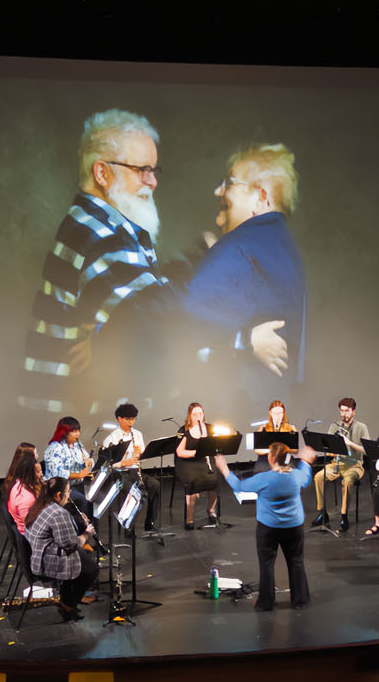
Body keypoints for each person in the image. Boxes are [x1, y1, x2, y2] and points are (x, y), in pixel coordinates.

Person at [20, 110, 289, 417]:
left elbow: (151, 297)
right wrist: (245, 341)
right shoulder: (99, 235)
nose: (153, 181)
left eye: (154, 169)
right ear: (102, 173)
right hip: (70, 427)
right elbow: (156, 327)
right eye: (141, 170)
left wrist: (200, 258)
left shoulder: (108, 226)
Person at [176, 144, 305, 407]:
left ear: (260, 196)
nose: (218, 191)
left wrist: (244, 340)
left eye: (229, 182)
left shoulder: (240, 246)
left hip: (227, 405)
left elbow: (179, 324)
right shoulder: (284, 248)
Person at [215, 438, 317, 611]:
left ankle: (266, 602)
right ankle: (300, 600)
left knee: (267, 564)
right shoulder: (296, 476)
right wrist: (306, 461)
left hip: (268, 528)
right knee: (296, 561)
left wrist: (224, 468)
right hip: (294, 527)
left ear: (271, 459)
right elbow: (306, 476)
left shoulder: (264, 479)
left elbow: (239, 485)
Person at [23, 476, 99, 620]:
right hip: (48, 561)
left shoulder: (40, 505)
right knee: (91, 570)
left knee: (84, 559)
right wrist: (87, 535)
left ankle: (67, 599)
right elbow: (71, 544)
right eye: (68, 492)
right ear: (58, 495)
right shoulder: (58, 513)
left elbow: (61, 536)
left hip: (39, 554)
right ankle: (68, 605)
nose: (69, 495)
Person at [99, 401, 161, 541]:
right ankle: (129, 526)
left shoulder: (137, 434)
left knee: (155, 485)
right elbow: (107, 465)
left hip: (134, 471)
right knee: (138, 492)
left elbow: (143, 457)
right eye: (127, 419)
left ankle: (150, 523)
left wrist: (140, 454)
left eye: (133, 419)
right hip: (119, 474)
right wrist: (123, 463)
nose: (131, 422)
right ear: (119, 419)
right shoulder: (112, 438)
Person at [311, 397, 369, 533]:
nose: (344, 414)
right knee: (319, 477)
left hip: (354, 465)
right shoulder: (335, 426)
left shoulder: (361, 427)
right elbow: (328, 447)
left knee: (348, 481)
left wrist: (349, 443)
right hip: (337, 464)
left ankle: (344, 516)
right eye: (342, 411)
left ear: (353, 411)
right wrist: (330, 450)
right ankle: (322, 513)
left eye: (347, 411)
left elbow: (366, 450)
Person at [174, 402, 221, 530]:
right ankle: (189, 519)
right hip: (188, 462)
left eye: (200, 413)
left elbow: (216, 447)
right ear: (190, 416)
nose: (198, 416)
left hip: (204, 461)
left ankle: (211, 510)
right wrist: (197, 452)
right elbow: (179, 452)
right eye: (195, 414)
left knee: (215, 479)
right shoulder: (184, 430)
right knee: (193, 481)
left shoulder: (210, 428)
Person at [43, 417, 95, 522]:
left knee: (93, 498)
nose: (77, 434)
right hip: (59, 487)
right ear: (64, 432)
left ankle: (89, 526)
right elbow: (57, 473)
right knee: (82, 500)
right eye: (73, 431)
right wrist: (78, 475)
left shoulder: (77, 445)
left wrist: (89, 462)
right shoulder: (55, 447)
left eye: (78, 431)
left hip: (76, 484)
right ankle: (80, 528)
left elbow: (87, 459)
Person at [3, 443, 41, 533]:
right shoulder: (23, 494)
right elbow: (29, 524)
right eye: (35, 453)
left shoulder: (16, 480)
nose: (37, 456)